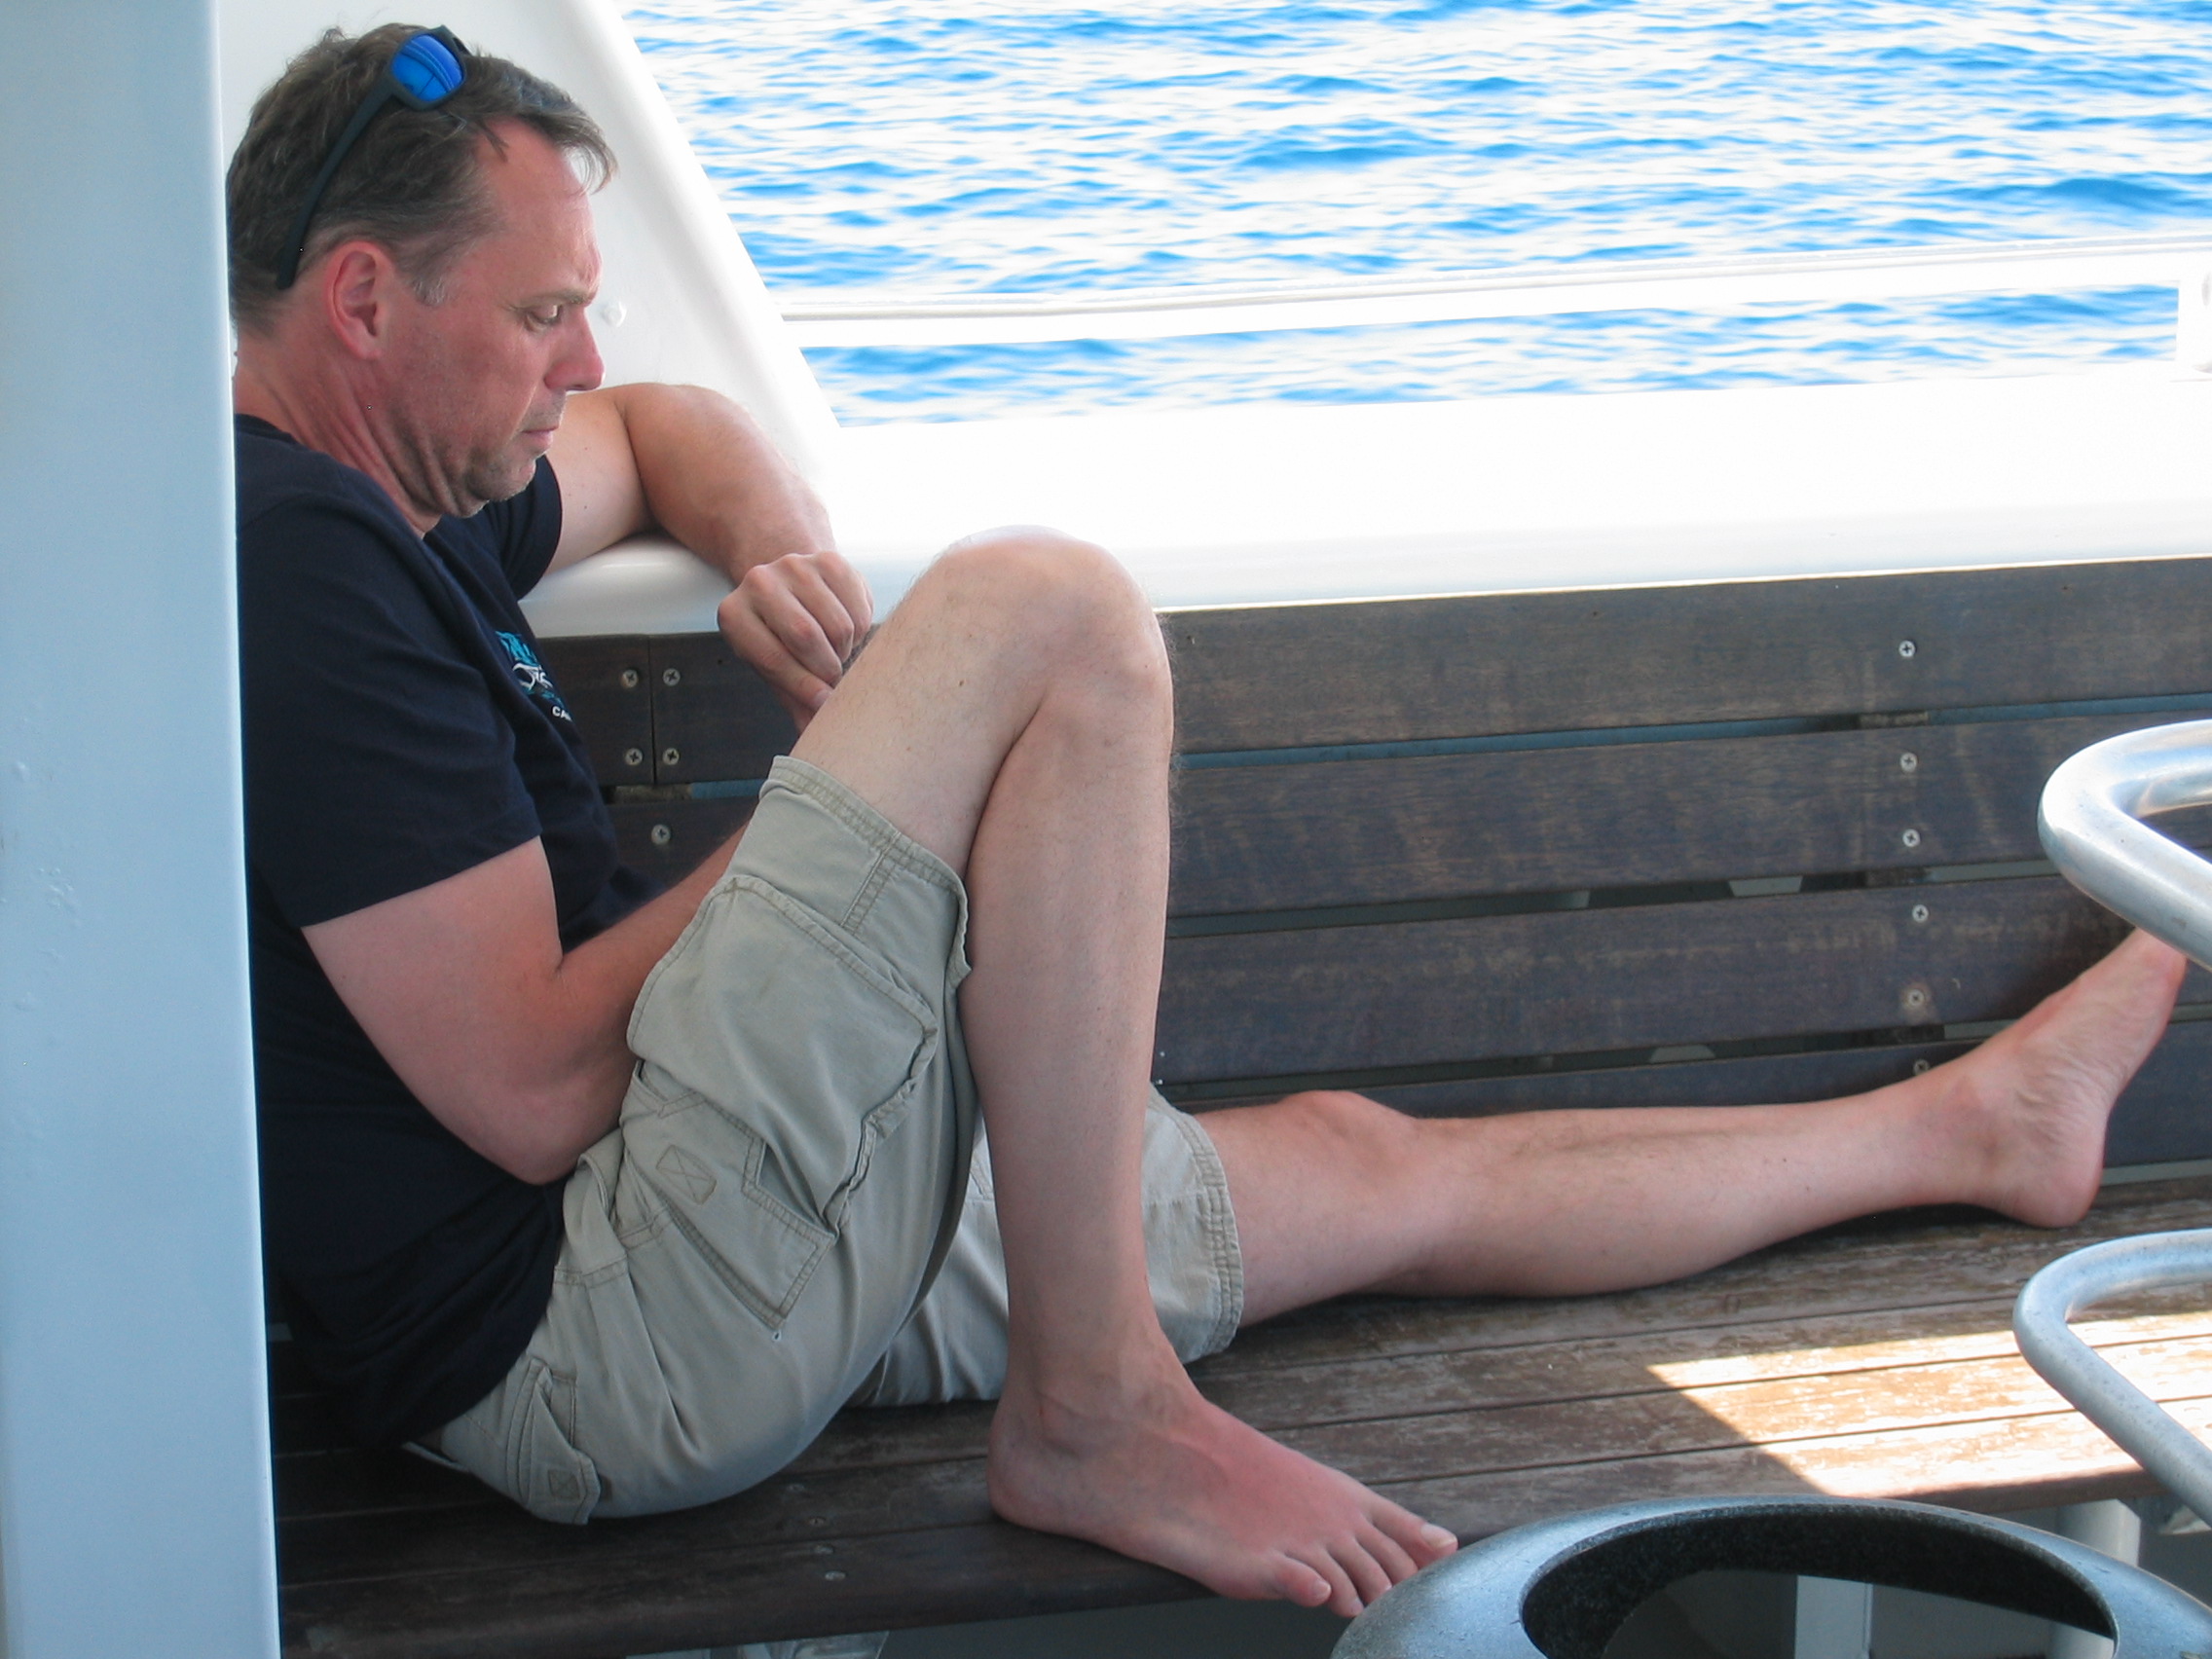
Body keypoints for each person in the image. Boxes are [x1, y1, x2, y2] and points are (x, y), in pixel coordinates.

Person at [228, 24, 2189, 1618]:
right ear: (365, 298)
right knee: (1047, 607)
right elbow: (523, 1089)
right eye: (545, 313)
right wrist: (869, 796)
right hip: (591, 1339)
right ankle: (1093, 1407)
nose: (579, 360)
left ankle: (1969, 1130)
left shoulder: (410, 479)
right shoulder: (291, 564)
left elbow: (667, 428)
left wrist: (781, 571)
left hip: (706, 1218)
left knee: (1360, 1168)